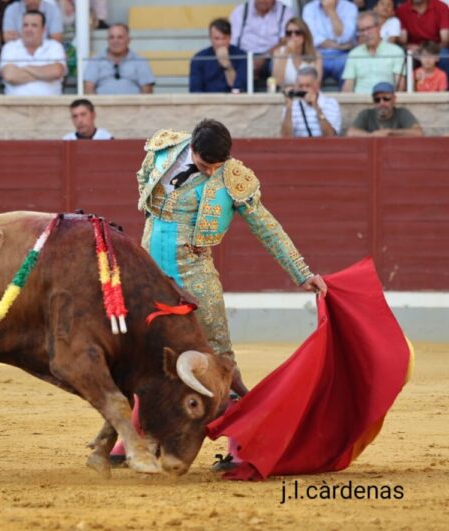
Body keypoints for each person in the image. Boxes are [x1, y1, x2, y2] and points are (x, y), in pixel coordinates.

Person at [136, 119, 327, 395]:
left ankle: (237, 409)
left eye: (217, 166)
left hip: (193, 267)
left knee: (217, 346)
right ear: (192, 148)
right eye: (204, 166)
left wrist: (302, 273)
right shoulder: (163, 148)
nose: (212, 171)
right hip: (149, 262)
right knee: (143, 340)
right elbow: (143, 177)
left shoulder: (233, 176)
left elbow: (267, 227)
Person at [0, 9, 66, 96]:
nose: (29, 29)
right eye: (25, 25)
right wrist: (44, 74)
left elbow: (56, 72)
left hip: (50, 105)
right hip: (14, 106)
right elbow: (10, 76)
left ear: (43, 30)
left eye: (34, 25)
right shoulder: (10, 47)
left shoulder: (54, 46)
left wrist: (26, 68)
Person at [342, 11, 405, 93]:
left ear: (379, 27)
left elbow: (399, 86)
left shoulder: (396, 52)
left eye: (368, 28)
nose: (366, 33)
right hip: (360, 101)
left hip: (384, 100)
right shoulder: (354, 54)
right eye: (362, 30)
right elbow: (348, 86)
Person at [230, 0, 294, 80]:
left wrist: (264, 57)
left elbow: (285, 40)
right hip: (244, 55)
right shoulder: (240, 11)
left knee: (279, 61)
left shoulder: (285, 12)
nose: (263, 1)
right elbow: (233, 42)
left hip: (272, 56)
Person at [83, 23, 155, 95]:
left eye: (120, 37)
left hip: (133, 105)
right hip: (102, 105)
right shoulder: (95, 60)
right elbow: (88, 88)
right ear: (107, 40)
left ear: (129, 40)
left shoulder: (140, 61)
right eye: (111, 37)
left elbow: (147, 91)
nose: (115, 41)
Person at [302, 0, 358, 84]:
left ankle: (344, 97)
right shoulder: (309, 8)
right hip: (317, 54)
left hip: (342, 55)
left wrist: (331, 11)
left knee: (349, 67)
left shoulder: (350, 7)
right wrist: (340, 46)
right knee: (308, 72)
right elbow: (311, 38)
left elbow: (346, 37)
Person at [189, 18, 247, 93]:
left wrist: (227, 66)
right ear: (210, 38)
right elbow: (195, 90)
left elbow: (239, 89)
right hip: (207, 101)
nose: (221, 43)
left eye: (224, 38)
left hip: (232, 101)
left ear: (230, 37)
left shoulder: (241, 56)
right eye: (217, 38)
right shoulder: (199, 58)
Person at [280, 66, 342, 137]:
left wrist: (316, 107)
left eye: (308, 86)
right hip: (299, 146)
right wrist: (289, 108)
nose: (304, 90)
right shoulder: (292, 105)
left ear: (317, 85)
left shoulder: (331, 103)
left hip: (324, 146)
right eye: (301, 86)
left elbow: (330, 135)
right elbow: (285, 136)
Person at [347, 81, 424, 136]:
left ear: (394, 99)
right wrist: (372, 135)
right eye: (377, 100)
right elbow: (351, 133)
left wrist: (390, 132)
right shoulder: (366, 114)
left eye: (386, 99)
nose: (381, 103)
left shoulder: (402, 113)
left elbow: (418, 133)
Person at [271, 17, 323, 89]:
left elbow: (317, 83)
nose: (293, 36)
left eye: (297, 33)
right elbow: (277, 82)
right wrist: (286, 54)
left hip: (308, 95)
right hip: (286, 96)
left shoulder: (315, 55)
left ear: (305, 35)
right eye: (289, 33)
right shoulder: (278, 52)